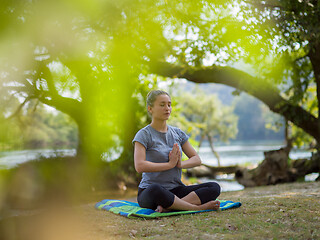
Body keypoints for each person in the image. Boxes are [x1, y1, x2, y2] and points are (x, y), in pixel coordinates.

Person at [132, 89, 221, 213]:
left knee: (214, 187)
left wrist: (180, 164)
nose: (167, 108)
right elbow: (139, 166)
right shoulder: (144, 135)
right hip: (152, 193)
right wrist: (169, 165)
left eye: (169, 104)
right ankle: (195, 207)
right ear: (150, 109)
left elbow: (196, 159)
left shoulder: (177, 133)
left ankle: (171, 207)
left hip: (176, 190)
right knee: (155, 189)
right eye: (162, 105)